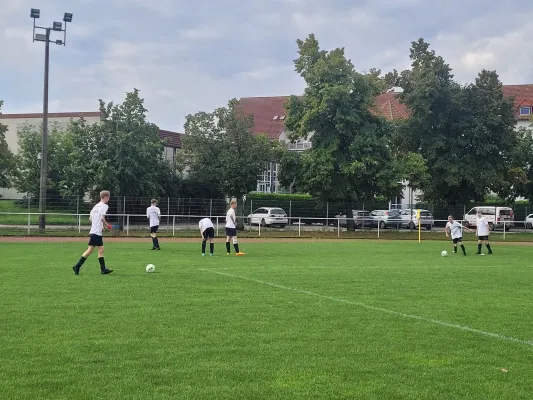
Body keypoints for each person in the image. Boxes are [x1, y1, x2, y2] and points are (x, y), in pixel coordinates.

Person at [72, 190, 113, 275]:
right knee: (90, 250)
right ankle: (77, 266)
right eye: (108, 197)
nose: (109, 199)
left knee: (101, 249)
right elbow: (102, 218)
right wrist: (107, 225)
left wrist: (100, 226)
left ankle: (103, 269)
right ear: (105, 197)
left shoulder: (95, 206)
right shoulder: (104, 206)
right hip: (96, 232)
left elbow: (90, 218)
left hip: (95, 231)